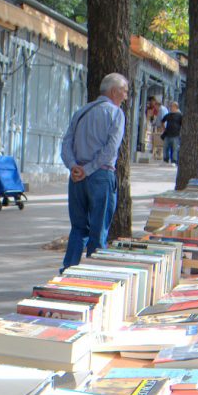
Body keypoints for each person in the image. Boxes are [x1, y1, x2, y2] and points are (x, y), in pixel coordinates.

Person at [59, 72, 128, 270]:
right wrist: (87, 169)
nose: (125, 97)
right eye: (124, 92)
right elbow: (111, 149)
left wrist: (74, 166)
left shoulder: (81, 111)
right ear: (114, 91)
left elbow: (66, 143)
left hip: (77, 177)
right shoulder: (116, 114)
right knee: (98, 231)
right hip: (100, 175)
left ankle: (68, 270)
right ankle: (93, 273)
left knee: (78, 228)